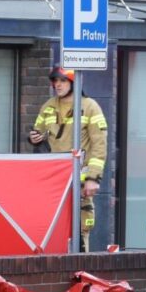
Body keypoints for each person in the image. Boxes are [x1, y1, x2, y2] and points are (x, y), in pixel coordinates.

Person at [28, 66, 107, 252]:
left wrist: (93, 178)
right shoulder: (48, 107)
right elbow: (38, 133)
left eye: (62, 80)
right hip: (54, 181)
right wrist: (34, 138)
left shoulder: (89, 106)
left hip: (80, 181)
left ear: (73, 82)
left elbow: (100, 144)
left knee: (81, 227)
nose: (57, 84)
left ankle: (81, 270)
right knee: (52, 226)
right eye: (55, 81)